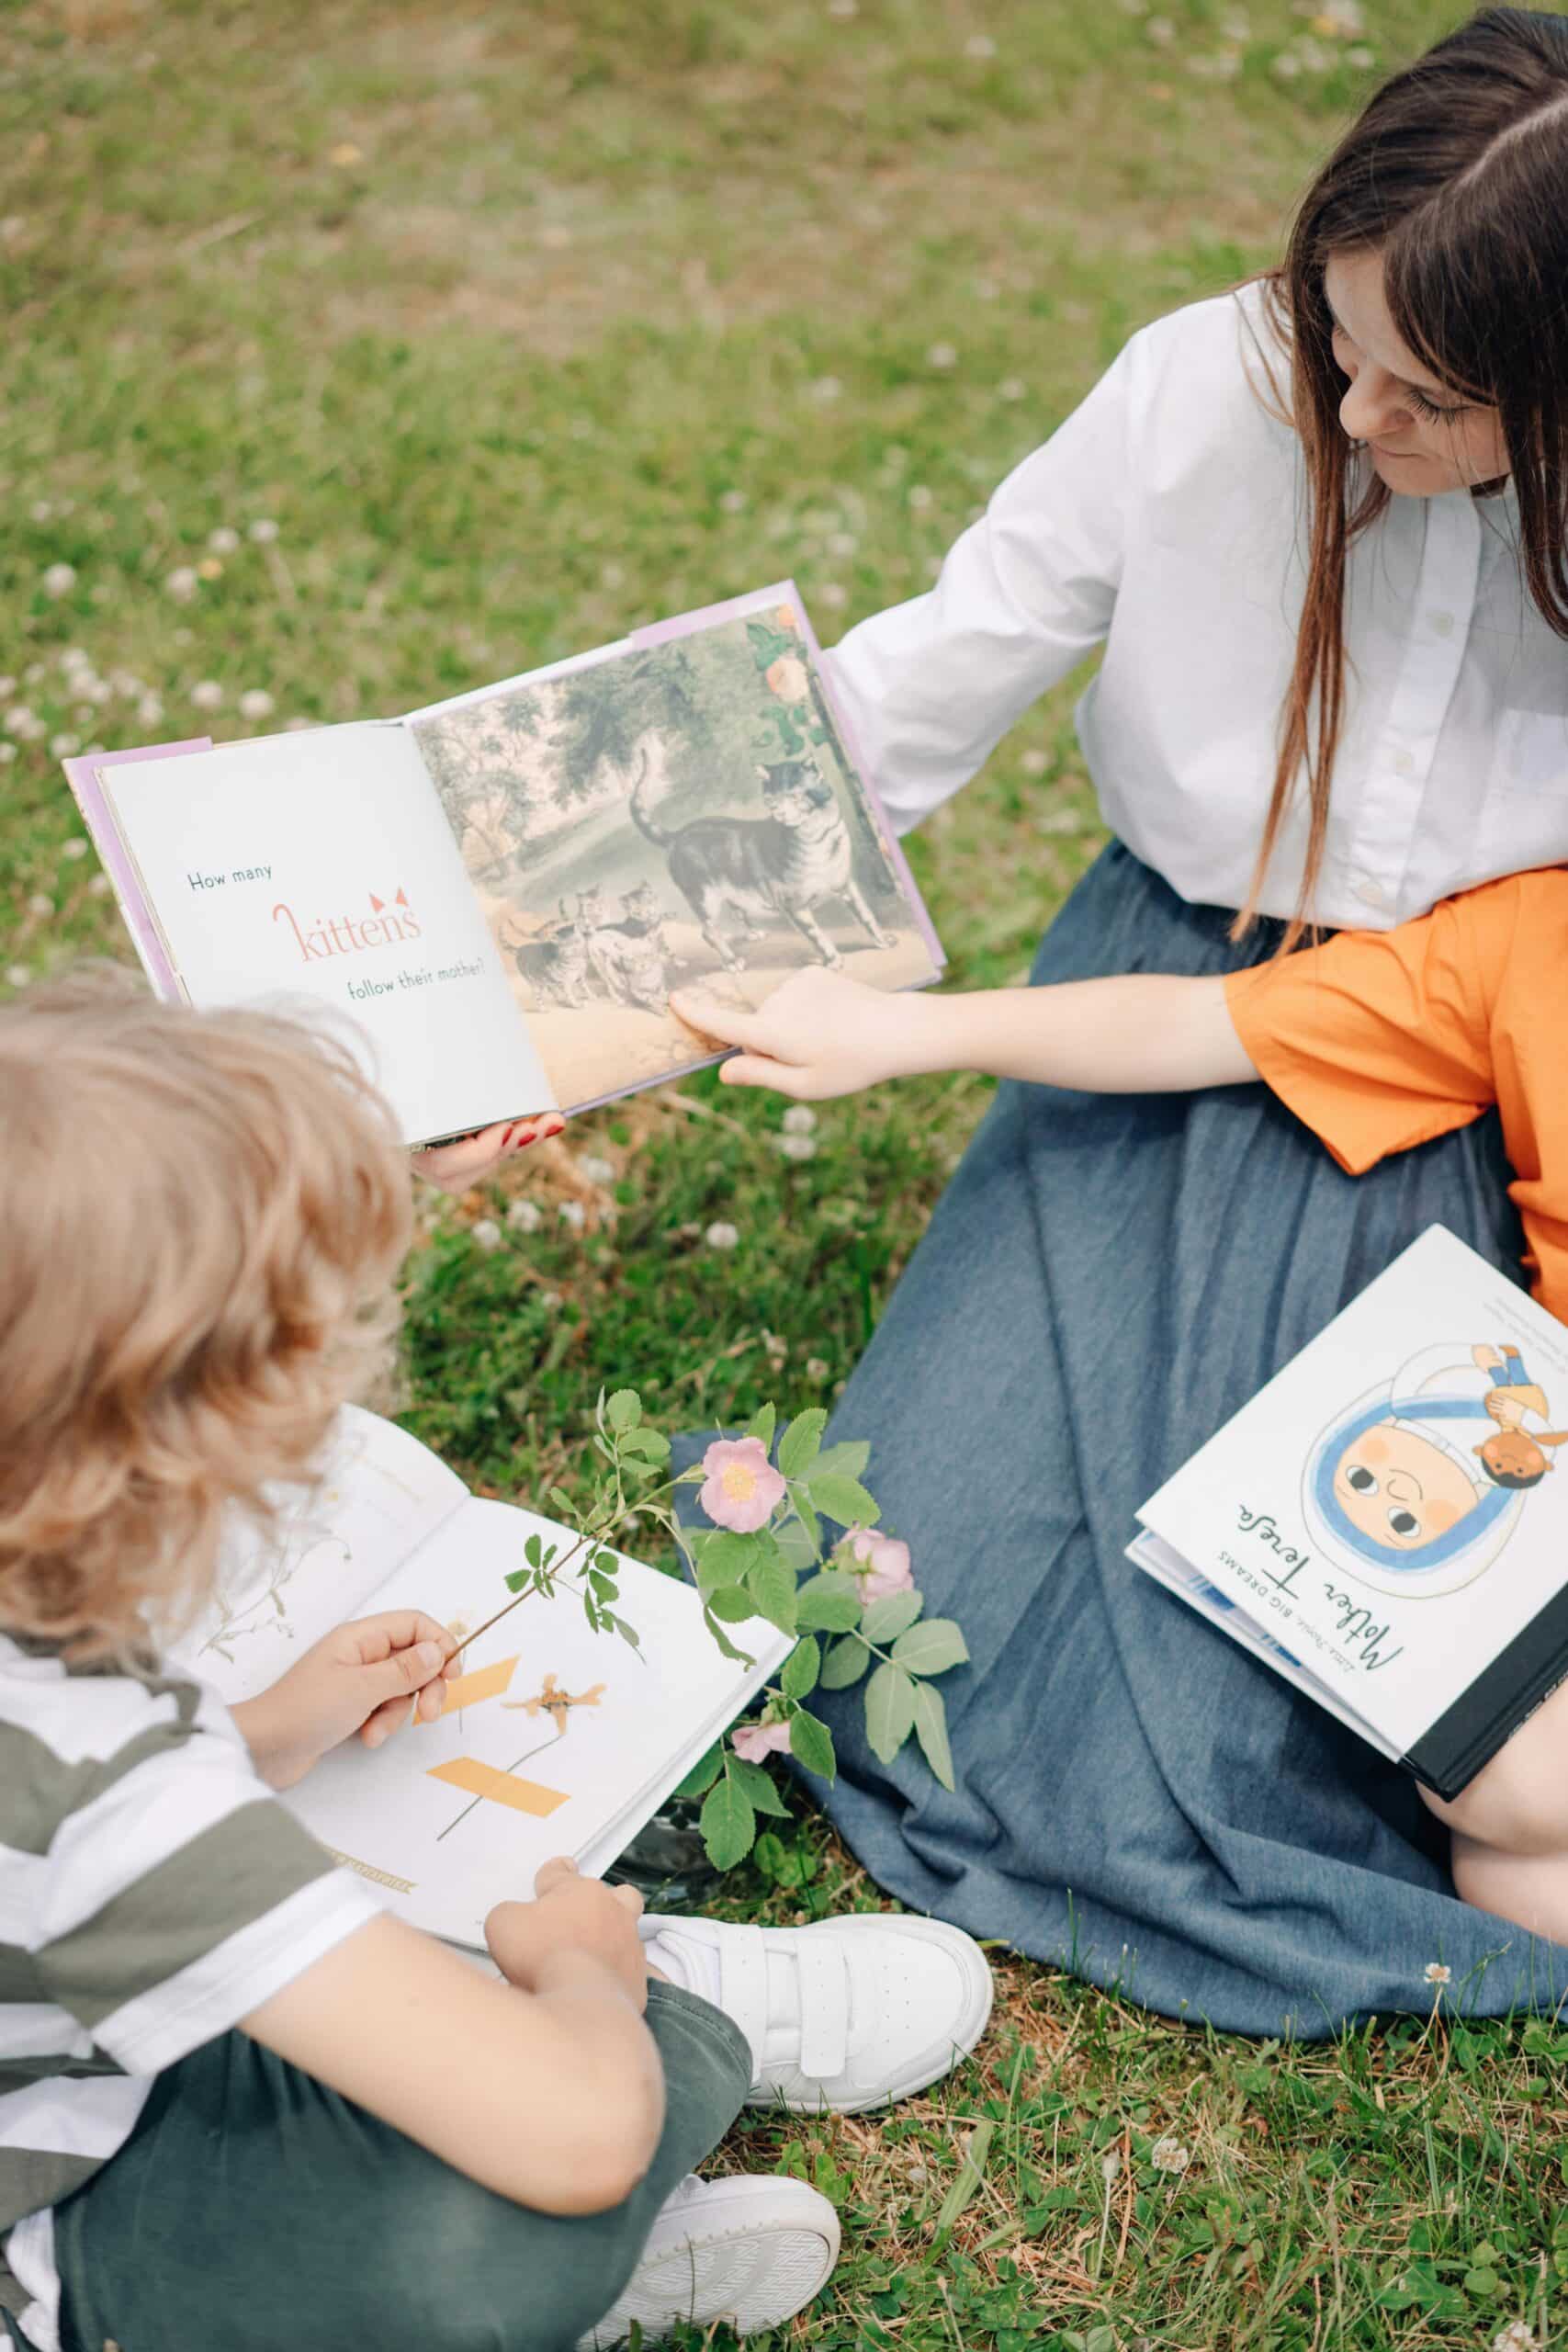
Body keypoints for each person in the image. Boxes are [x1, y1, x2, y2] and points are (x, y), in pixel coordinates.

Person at [672, 7, 1568, 2036]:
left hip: (1456, 1058)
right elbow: (933, 667)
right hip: (1155, 985)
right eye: (1337, 345)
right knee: (922, 1604)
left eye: (1425, 396)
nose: (1351, 418)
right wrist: (617, 955)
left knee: (1291, 1666)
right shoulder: (1201, 384)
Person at [0, 978, 992, 2352]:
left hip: (66, 2077)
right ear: (179, 1475)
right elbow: (575, 2135)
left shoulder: (60, 1727)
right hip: (73, 2259)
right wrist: (584, 1974)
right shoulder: (104, 1787)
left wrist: (265, 1726)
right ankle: (639, 2009)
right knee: (525, 2200)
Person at [671, 858, 1568, 1947]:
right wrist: (904, 1033)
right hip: (1529, 1461)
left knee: (1517, 1809)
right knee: (1500, 1824)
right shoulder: (1533, 933)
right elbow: (1200, 1024)